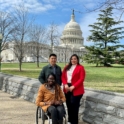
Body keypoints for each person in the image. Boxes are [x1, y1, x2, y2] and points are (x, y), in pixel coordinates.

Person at [61, 54, 86, 124]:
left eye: (75, 59)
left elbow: (81, 79)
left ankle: (74, 122)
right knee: (68, 105)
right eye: (72, 59)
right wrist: (65, 84)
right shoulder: (67, 67)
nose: (73, 60)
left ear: (77, 60)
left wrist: (73, 86)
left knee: (74, 105)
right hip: (67, 87)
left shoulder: (81, 67)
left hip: (77, 89)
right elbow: (63, 77)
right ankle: (69, 120)